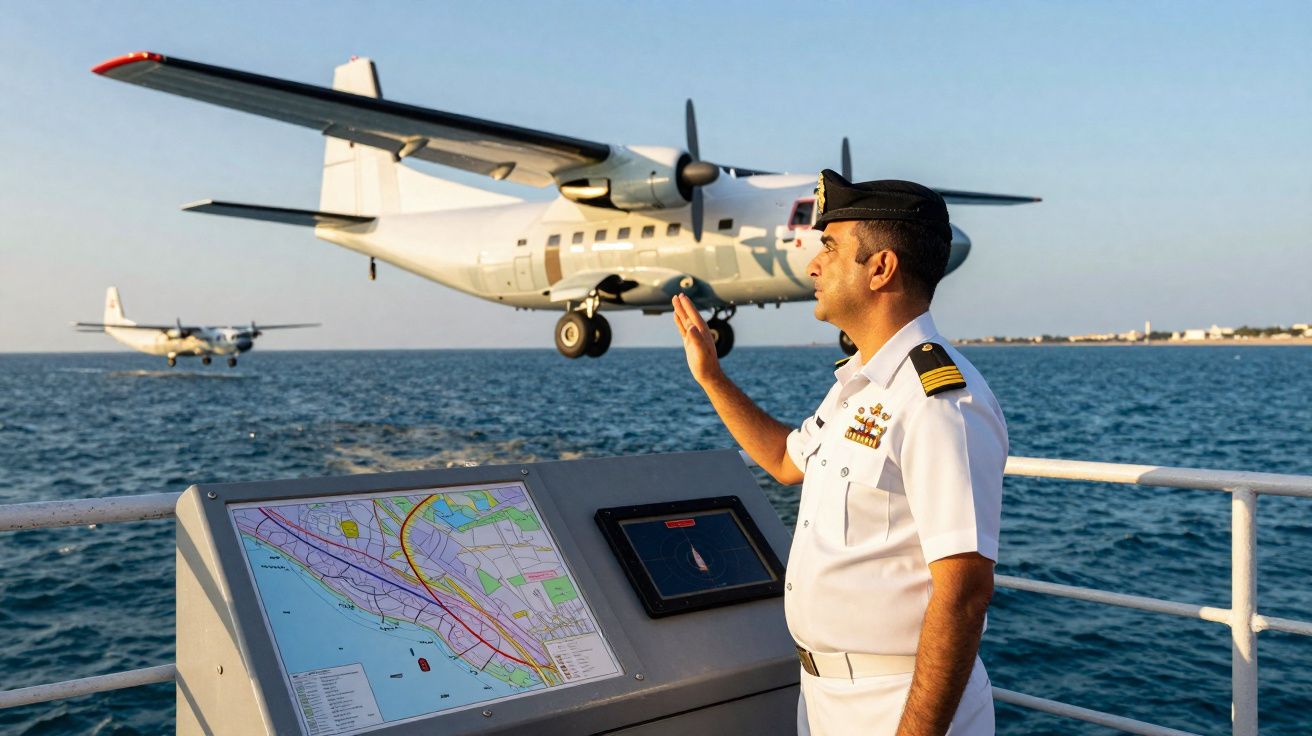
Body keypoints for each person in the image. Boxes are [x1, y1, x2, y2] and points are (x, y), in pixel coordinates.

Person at [671, 170, 1007, 735]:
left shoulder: (938, 401)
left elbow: (965, 593)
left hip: (896, 703)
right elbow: (785, 461)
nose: (813, 265)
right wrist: (711, 377)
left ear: (881, 268)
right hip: (824, 698)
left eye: (829, 247)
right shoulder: (859, 385)